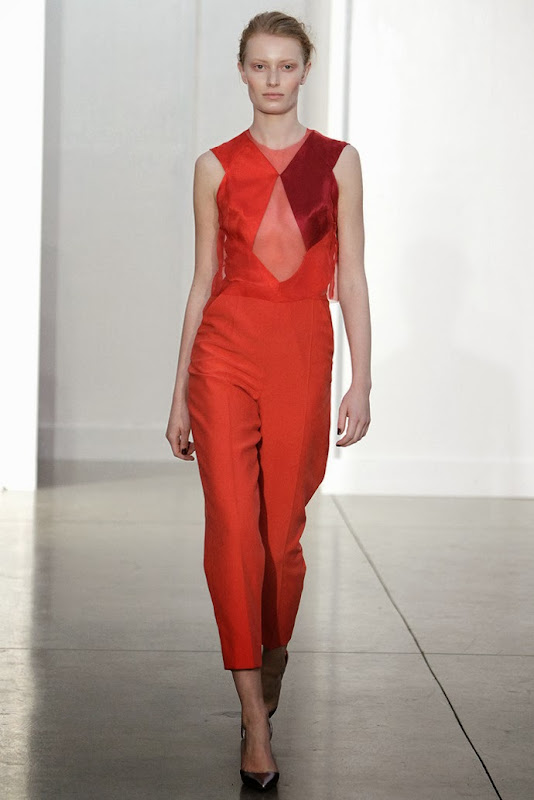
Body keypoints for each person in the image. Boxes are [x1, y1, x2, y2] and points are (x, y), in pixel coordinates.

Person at [166, 10, 371, 792]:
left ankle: (272, 646)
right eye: (260, 65)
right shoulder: (213, 167)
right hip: (224, 354)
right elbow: (202, 281)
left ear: (305, 70)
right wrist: (177, 394)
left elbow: (352, 275)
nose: (274, 78)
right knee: (231, 527)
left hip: (301, 354)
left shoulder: (340, 162)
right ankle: (254, 717)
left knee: (281, 537)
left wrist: (361, 377)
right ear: (242, 71)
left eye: (286, 65)